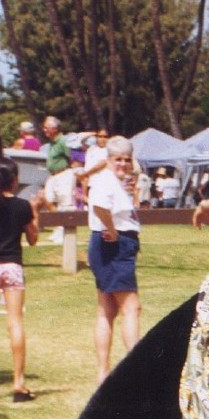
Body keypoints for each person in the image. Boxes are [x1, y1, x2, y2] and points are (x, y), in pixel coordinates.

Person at [87, 136, 141, 384]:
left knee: (106, 311)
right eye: (117, 159)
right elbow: (99, 206)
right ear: (108, 159)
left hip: (108, 245)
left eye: (126, 159)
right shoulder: (105, 180)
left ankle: (103, 373)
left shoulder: (114, 180)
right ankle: (137, 369)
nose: (122, 164)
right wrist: (112, 228)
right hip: (114, 246)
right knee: (132, 308)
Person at [0, 157, 39, 401]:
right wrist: (36, 213)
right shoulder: (23, 206)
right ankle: (19, 384)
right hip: (12, 266)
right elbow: (33, 240)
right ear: (15, 179)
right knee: (15, 323)